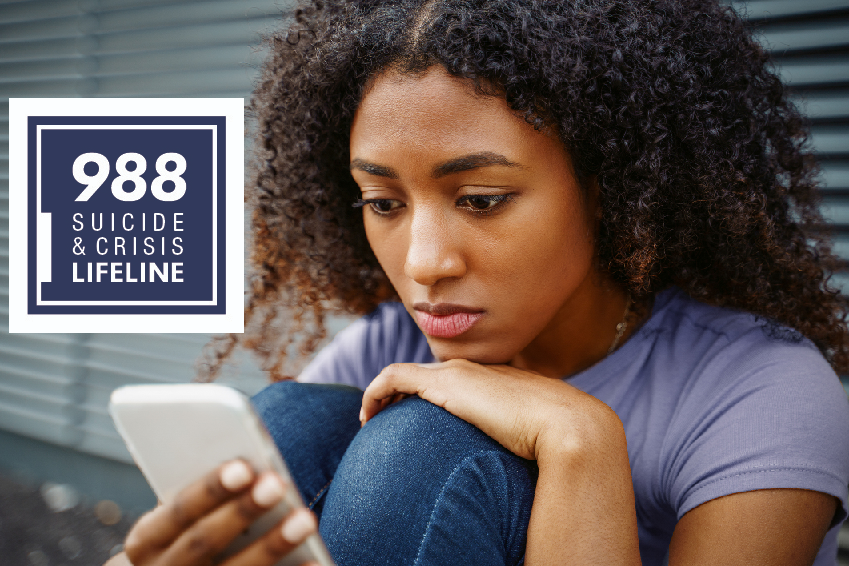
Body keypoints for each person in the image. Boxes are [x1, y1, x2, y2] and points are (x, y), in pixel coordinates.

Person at [109, 0, 849, 564]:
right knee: (288, 422)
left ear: (607, 187)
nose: (424, 263)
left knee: (421, 445)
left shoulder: (760, 389)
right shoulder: (388, 347)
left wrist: (578, 439)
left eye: (480, 200)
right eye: (384, 203)